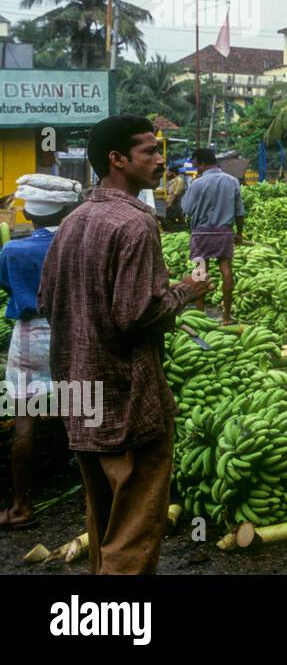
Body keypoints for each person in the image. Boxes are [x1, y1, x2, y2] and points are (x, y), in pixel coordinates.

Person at [40, 115, 212, 574]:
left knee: (104, 521)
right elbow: (137, 315)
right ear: (117, 160)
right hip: (126, 399)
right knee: (133, 532)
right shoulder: (136, 224)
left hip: (80, 393)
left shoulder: (73, 222)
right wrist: (186, 293)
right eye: (149, 152)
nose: (161, 160)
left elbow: (47, 298)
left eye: (159, 151)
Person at [0, 174, 81, 529]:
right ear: (67, 211)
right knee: (81, 410)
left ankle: (21, 506)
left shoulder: (12, 251)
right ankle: (92, 504)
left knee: (24, 420)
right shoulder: (78, 246)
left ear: (29, 217)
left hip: (31, 336)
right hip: (75, 334)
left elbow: (7, 285)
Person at [181, 148, 246, 325]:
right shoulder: (232, 181)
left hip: (201, 234)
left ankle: (200, 315)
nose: (196, 169)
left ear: (201, 163)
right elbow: (240, 212)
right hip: (224, 232)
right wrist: (239, 233)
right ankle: (226, 316)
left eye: (196, 165)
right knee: (226, 268)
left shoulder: (197, 183)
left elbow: (186, 209)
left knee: (201, 270)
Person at [163, 165, 187, 229]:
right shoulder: (172, 181)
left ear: (173, 172)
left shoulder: (179, 180)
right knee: (169, 222)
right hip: (170, 205)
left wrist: (170, 204)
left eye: (169, 172)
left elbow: (176, 194)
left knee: (175, 221)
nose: (167, 174)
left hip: (174, 205)